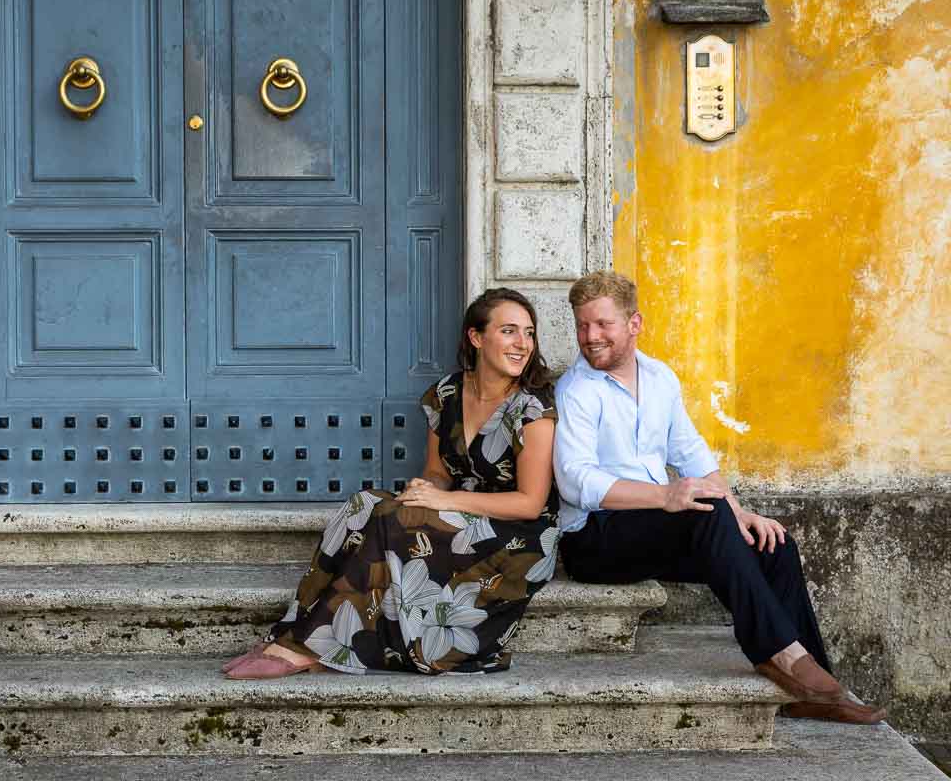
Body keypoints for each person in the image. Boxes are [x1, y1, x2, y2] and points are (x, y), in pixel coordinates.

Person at [552, 270, 885, 724]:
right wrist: (666, 496)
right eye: (582, 325)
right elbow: (575, 482)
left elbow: (690, 453)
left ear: (634, 324)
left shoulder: (659, 378)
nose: (590, 337)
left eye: (602, 324)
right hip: (594, 540)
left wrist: (742, 513)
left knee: (773, 544)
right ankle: (781, 658)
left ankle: (813, 687)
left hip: (648, 531)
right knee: (706, 515)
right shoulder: (576, 390)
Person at [223, 288, 561, 679]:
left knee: (395, 523)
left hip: (516, 535)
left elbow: (530, 503)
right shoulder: (446, 393)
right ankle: (292, 630)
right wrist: (422, 492)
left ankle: (305, 648)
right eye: (509, 331)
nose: (523, 344)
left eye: (530, 333)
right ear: (476, 337)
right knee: (365, 505)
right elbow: (438, 471)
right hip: (459, 514)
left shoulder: (533, 408)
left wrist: (444, 500)